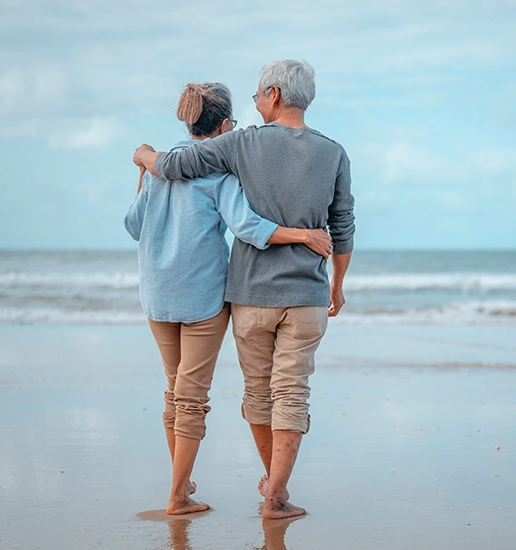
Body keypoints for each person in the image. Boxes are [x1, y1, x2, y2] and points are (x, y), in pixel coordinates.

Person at [133, 60, 356, 519]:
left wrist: (143, 159)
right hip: (264, 296)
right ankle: (264, 493)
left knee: (227, 392)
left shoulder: (232, 148)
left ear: (273, 95)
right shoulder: (330, 152)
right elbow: (326, 226)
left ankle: (221, 481)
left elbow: (155, 192)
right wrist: (332, 277)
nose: (254, 107)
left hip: (210, 295)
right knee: (282, 393)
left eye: (258, 96)